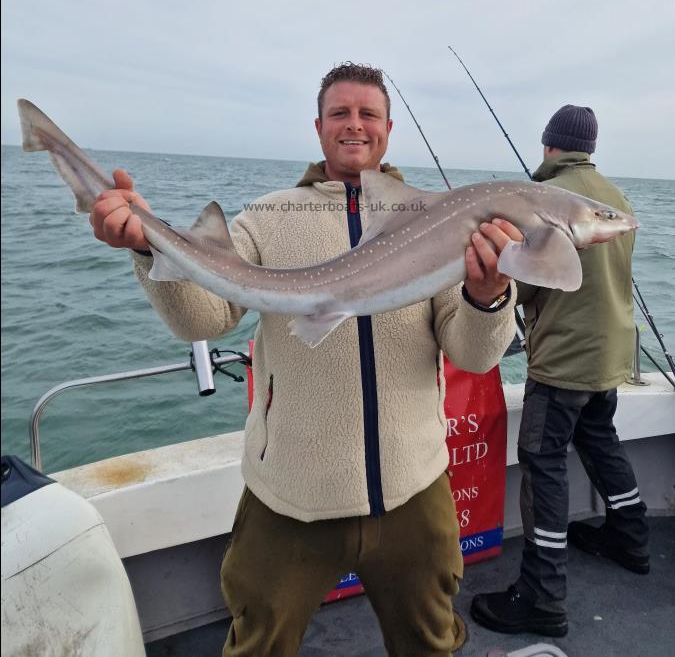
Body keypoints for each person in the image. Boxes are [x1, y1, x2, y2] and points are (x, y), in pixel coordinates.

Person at [90, 63, 523, 656]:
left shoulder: (439, 221)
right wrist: (147, 248)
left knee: (432, 644)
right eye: (340, 113)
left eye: (368, 114)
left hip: (412, 488)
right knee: (259, 644)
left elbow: (472, 355)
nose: (355, 125)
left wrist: (487, 294)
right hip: (290, 494)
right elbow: (204, 319)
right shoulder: (268, 217)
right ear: (317, 127)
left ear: (389, 128)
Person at [471, 104, 649, 640]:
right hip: (611, 352)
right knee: (601, 442)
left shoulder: (541, 201)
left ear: (549, 145)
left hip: (564, 359)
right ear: (588, 147)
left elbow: (524, 282)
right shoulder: (612, 199)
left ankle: (543, 596)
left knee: (543, 463)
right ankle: (632, 536)